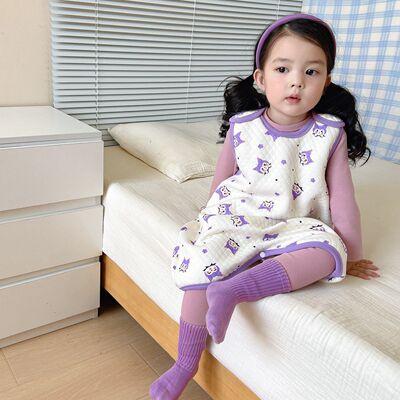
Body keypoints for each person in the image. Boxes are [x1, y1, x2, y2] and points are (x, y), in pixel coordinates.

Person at [149, 13, 379, 400]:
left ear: (326, 81)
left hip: (295, 220)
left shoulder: (329, 133)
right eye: (283, 69)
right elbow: (221, 181)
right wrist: (209, 222)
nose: (296, 81)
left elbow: (342, 197)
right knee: (202, 263)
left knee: (329, 252)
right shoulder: (242, 126)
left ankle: (233, 291)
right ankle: (185, 364)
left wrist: (350, 253)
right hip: (238, 214)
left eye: (311, 72)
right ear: (260, 78)